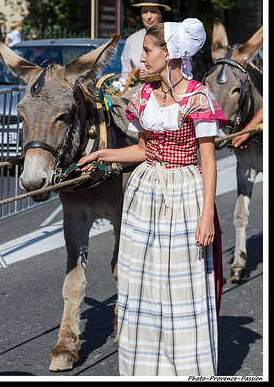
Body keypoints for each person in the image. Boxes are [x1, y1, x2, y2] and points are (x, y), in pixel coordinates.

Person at [77, 19, 227, 376]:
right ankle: (146, 369)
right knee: (142, 283)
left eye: (147, 51)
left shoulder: (197, 97)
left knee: (181, 286)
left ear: (169, 54)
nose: (141, 57)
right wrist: (102, 156)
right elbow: (143, 150)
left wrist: (207, 216)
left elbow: (209, 162)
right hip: (145, 195)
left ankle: (188, 369)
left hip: (184, 194)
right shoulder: (143, 96)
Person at [116, 0, 171, 91]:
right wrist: (136, 76)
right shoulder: (131, 41)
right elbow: (125, 77)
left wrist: (153, 75)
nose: (148, 16)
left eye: (153, 12)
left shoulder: (171, 38)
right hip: (138, 97)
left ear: (161, 14)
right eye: (145, 12)